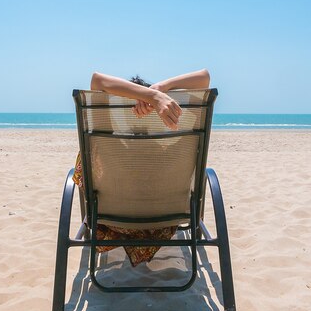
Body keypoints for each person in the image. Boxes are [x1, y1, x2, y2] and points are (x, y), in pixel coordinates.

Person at [72, 68, 210, 266]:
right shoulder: (172, 154)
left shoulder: (110, 150)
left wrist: (149, 95)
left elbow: (97, 80)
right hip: (164, 221)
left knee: (85, 156)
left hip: (111, 220)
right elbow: (204, 78)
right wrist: (159, 92)